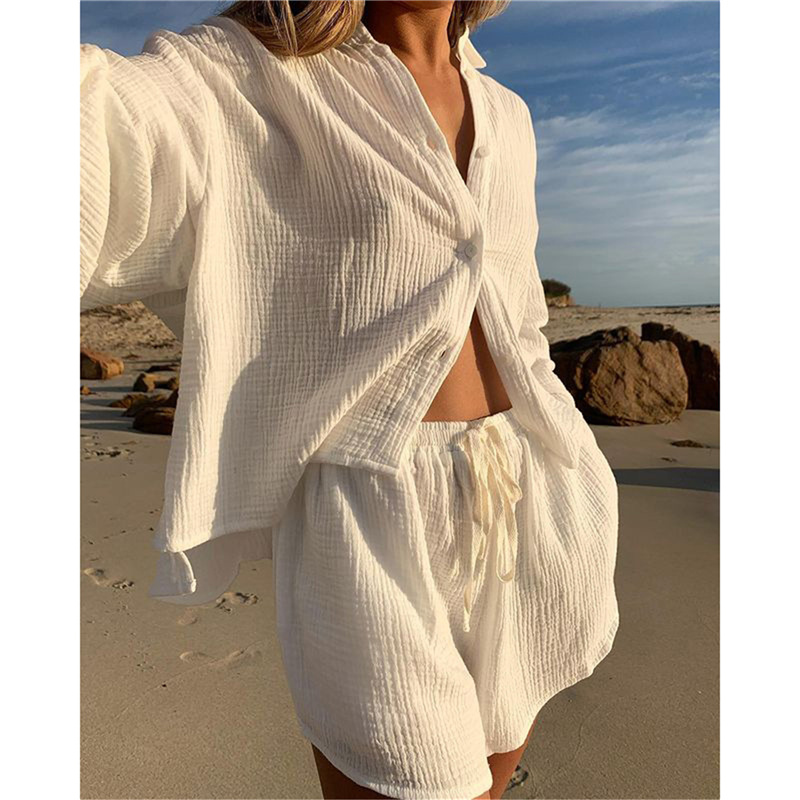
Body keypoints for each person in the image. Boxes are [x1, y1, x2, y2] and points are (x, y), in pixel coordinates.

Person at [80, 1, 620, 798]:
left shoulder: (508, 113)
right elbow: (99, 130)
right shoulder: (240, 74)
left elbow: (521, 318)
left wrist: (579, 463)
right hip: (369, 514)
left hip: (532, 483)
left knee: (494, 772)